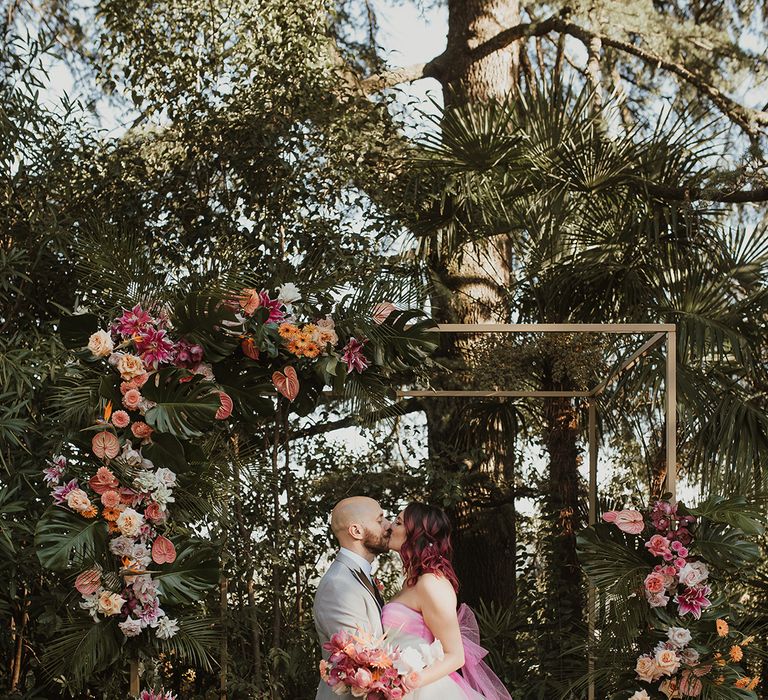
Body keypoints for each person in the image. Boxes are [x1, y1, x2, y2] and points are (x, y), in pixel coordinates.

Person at [383, 502, 512, 699]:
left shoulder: (431, 583)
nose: (391, 526)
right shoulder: (412, 582)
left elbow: (455, 656)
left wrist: (410, 682)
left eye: (398, 523)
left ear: (417, 534)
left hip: (425, 689)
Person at [313, 496, 392, 700]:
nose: (389, 525)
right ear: (356, 531)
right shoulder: (338, 586)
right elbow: (361, 665)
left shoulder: (357, 576)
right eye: (380, 519)